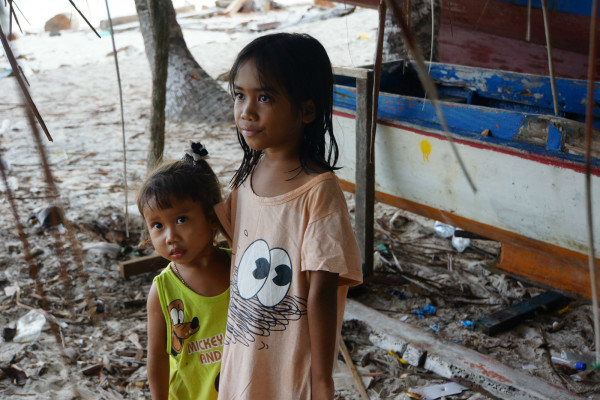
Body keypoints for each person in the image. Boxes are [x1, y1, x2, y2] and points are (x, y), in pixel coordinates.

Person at [215, 33, 363, 400]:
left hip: (290, 368)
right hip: (242, 353)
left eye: (264, 97)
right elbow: (236, 253)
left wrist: (322, 378)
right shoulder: (248, 175)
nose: (246, 111)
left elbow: (322, 293)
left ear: (307, 110)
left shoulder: (319, 193)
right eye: (239, 95)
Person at [139, 142, 231, 400]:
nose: (170, 237)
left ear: (212, 218)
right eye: (157, 225)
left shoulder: (242, 269)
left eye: (181, 219)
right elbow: (157, 355)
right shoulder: (163, 290)